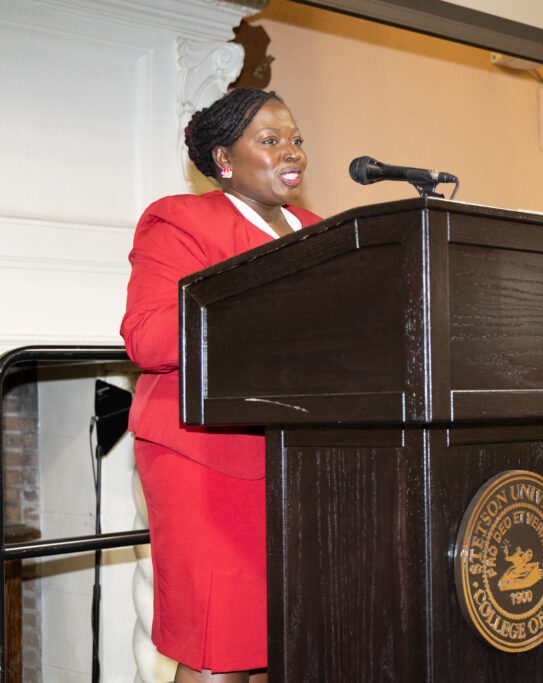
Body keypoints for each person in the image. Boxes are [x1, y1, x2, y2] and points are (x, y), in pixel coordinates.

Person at [120, 88, 322, 682]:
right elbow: (148, 337)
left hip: (297, 458)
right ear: (224, 158)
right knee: (219, 647)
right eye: (271, 140)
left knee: (273, 646)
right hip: (203, 458)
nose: (292, 152)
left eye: (297, 139)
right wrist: (263, 304)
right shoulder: (180, 219)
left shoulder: (315, 230)